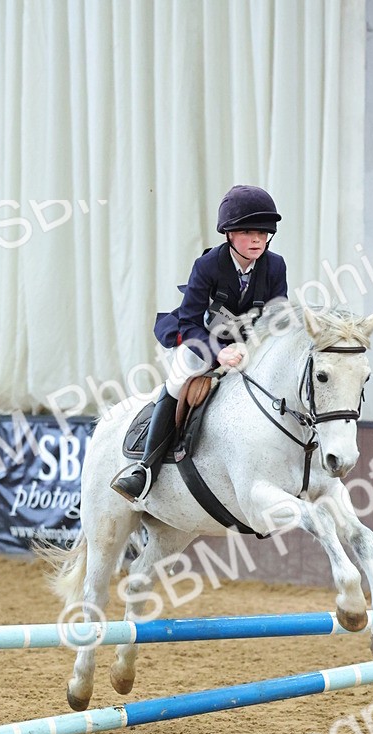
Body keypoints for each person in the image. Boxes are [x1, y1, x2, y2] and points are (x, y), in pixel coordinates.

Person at [111, 184, 288, 503]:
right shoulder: (207, 266)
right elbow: (189, 322)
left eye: (263, 233)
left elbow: (277, 317)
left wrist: (253, 347)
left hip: (249, 343)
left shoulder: (275, 266)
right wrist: (219, 351)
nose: (257, 240)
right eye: (248, 232)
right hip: (202, 340)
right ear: (229, 234)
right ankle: (145, 469)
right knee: (179, 381)